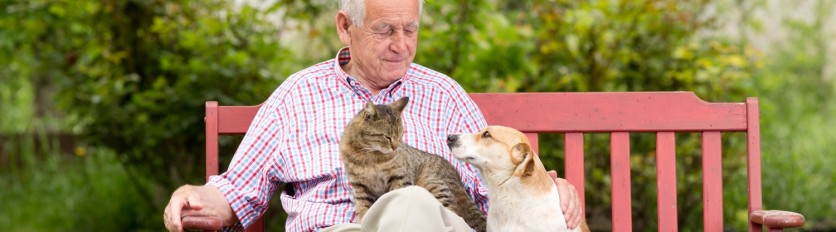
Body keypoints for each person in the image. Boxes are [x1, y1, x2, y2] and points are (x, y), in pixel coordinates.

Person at [163, 0, 583, 231]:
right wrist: (197, 198)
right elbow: (239, 189)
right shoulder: (298, 95)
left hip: (436, 228)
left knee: (414, 205)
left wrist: (550, 190)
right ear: (346, 26)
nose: (402, 45)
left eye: (411, 30)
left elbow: (496, 182)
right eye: (386, 30)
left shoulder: (443, 93)